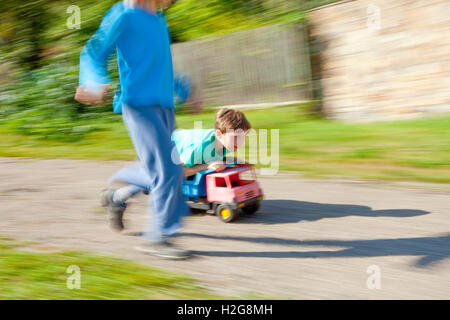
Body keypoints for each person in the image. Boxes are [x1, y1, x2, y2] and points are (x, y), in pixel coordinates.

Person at [75, 0, 191, 260]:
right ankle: (157, 238)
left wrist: (184, 89)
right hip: (139, 106)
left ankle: (115, 197)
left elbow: (162, 64)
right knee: (169, 169)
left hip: (164, 106)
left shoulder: (159, 20)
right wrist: (93, 81)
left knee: (159, 170)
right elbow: (94, 51)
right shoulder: (123, 14)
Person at [103, 108, 252, 228]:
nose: (240, 142)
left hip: (175, 151)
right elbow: (180, 171)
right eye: (236, 138)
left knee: (156, 182)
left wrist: (232, 161)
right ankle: (115, 198)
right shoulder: (198, 149)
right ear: (219, 134)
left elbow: (217, 156)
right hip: (159, 150)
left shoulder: (224, 142)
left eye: (243, 137)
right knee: (155, 182)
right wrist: (208, 165)